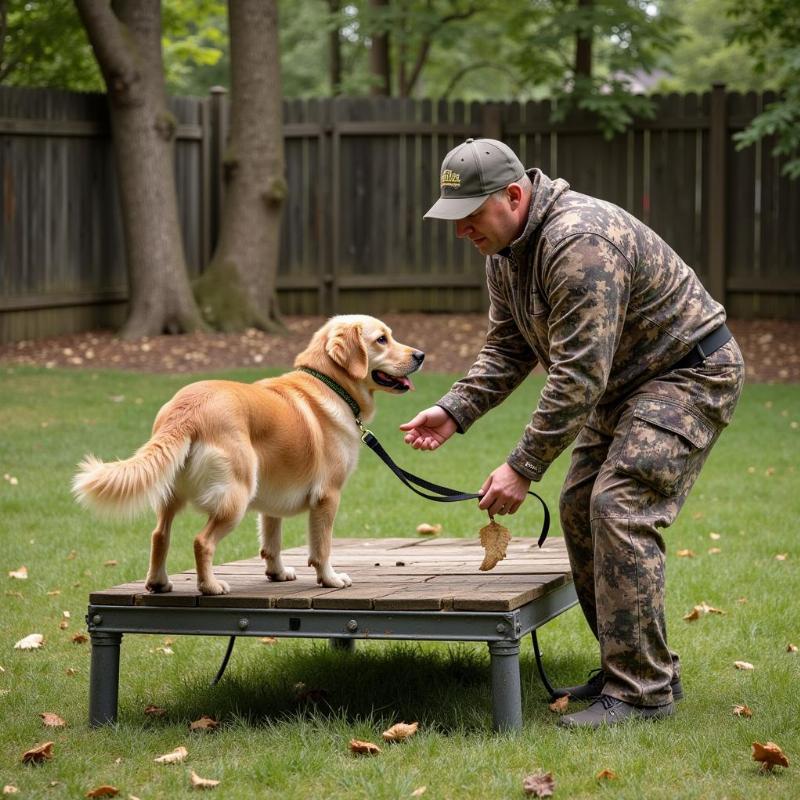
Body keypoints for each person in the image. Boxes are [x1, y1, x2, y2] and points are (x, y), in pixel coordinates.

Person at [400, 138, 745, 729]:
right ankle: (630, 667)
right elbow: (508, 348)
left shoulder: (580, 243)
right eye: (452, 219)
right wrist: (455, 409)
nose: (460, 232)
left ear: (513, 196)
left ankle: (641, 693)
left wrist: (521, 466)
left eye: (469, 216)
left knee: (619, 505)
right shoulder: (506, 251)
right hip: (625, 382)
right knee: (579, 505)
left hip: (687, 373)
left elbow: (579, 374)